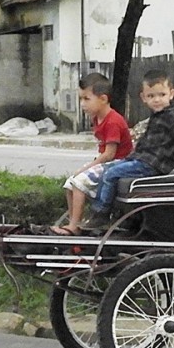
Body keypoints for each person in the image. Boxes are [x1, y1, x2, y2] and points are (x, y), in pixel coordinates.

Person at [54, 68, 174, 235]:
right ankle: (107, 214)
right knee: (109, 170)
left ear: (171, 94)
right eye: (151, 96)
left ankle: (102, 213)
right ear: (143, 98)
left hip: (152, 163)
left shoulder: (173, 117)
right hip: (143, 158)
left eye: (161, 95)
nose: (157, 100)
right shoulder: (159, 115)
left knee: (111, 174)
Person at [52, 73, 133, 235]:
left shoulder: (113, 121)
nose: (82, 104)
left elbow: (110, 154)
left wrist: (87, 167)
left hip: (119, 162)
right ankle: (76, 222)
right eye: (81, 99)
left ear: (103, 99)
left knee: (79, 181)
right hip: (107, 161)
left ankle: (73, 227)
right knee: (70, 183)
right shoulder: (97, 119)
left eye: (86, 99)